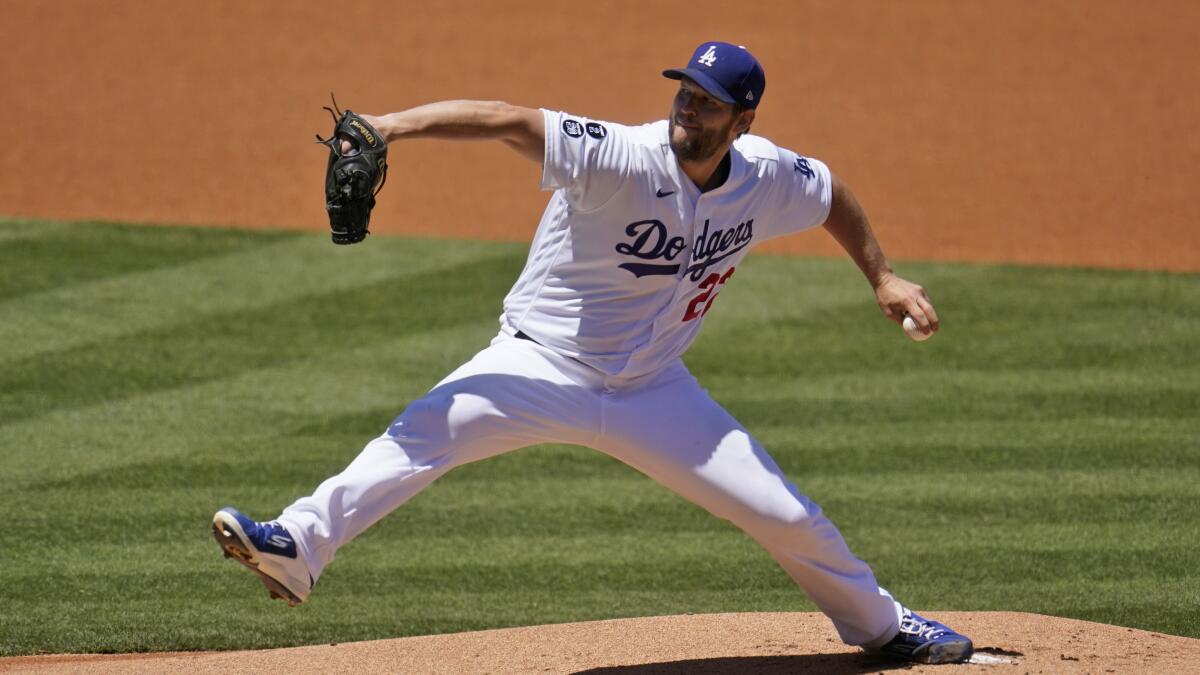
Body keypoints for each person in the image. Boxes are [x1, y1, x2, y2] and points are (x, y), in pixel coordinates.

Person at [212, 42, 971, 665]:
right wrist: (389, 124)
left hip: (653, 391)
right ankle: (297, 546)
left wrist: (883, 275)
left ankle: (883, 625)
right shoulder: (621, 155)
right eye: (684, 91)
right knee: (421, 433)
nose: (687, 107)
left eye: (707, 101)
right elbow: (507, 121)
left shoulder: (767, 177)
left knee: (784, 511)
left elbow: (831, 193)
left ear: (741, 120)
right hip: (539, 366)